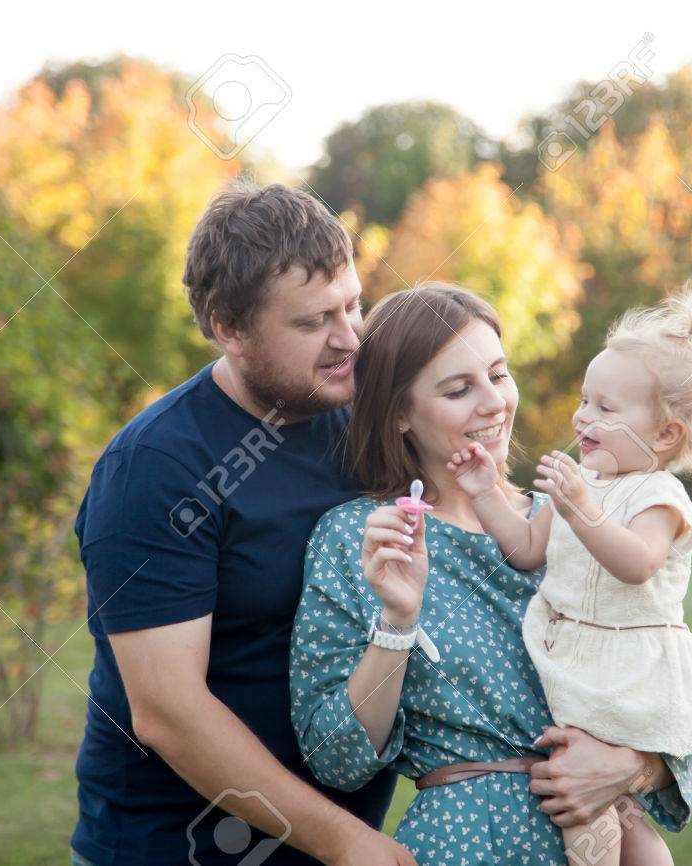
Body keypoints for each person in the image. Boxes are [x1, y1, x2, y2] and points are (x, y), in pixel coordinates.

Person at [289, 283, 692, 866]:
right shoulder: (362, 538)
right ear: (400, 413)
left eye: (499, 375)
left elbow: (661, 680)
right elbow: (336, 758)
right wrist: (398, 622)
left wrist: (632, 767)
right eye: (459, 389)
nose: (494, 403)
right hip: (469, 841)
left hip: (608, 835)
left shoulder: (577, 521)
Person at [70, 180, 412, 866]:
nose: (349, 338)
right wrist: (348, 844)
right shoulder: (158, 468)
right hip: (175, 849)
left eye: (353, 305)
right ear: (229, 328)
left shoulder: (365, 423)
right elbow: (168, 711)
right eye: (313, 322)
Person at [448, 281, 692, 865]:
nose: (583, 416)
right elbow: (527, 548)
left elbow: (638, 564)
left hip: (629, 670)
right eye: (585, 401)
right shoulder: (581, 483)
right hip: (580, 660)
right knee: (613, 808)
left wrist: (581, 507)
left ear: (665, 434)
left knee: (587, 800)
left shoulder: (658, 495)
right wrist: (485, 494)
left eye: (606, 409)